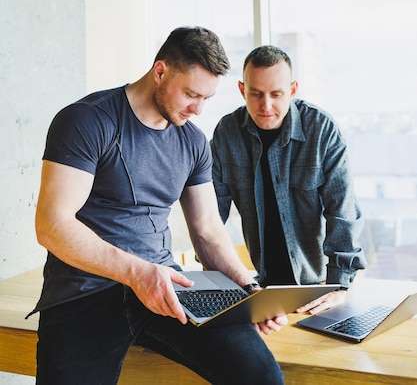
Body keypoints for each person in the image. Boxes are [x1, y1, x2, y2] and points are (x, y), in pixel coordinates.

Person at [29, 27, 287, 385]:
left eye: (206, 99)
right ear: (160, 71)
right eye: (191, 94)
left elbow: (208, 231)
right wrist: (138, 273)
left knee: (261, 377)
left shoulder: (193, 142)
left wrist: (247, 288)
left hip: (167, 289)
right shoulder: (87, 120)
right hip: (85, 292)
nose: (197, 109)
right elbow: (52, 225)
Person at [211, 45, 366, 316]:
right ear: (241, 89)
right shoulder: (227, 134)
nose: (266, 105)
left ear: (293, 90)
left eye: (276, 94)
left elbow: (342, 211)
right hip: (257, 288)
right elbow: (210, 218)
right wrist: (222, 278)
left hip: (319, 287)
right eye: (255, 93)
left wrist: (339, 287)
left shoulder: (321, 129)